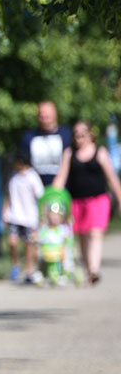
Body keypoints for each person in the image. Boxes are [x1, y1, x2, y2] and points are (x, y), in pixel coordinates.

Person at [51, 120, 121, 284]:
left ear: (90, 134)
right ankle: (89, 270)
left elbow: (112, 179)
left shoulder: (100, 152)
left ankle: (94, 269)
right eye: (76, 132)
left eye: (82, 132)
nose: (78, 135)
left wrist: (119, 197)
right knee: (82, 235)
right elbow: (61, 177)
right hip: (76, 202)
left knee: (95, 233)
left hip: (99, 200)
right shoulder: (69, 154)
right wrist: (52, 194)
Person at [2, 150, 44, 283]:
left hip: (29, 217)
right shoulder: (14, 177)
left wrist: (41, 218)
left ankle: (29, 270)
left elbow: (40, 197)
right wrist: (4, 212)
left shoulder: (33, 177)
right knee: (12, 241)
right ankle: (15, 265)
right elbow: (9, 195)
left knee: (28, 244)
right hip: (14, 215)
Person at [20, 101, 72, 186]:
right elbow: (22, 162)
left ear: (55, 114)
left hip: (62, 190)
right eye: (41, 114)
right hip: (35, 188)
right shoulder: (28, 136)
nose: (44, 116)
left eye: (47, 114)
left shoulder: (68, 135)